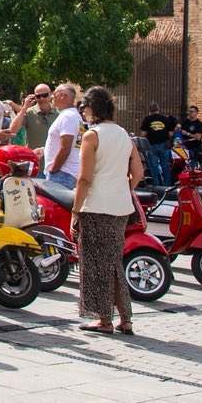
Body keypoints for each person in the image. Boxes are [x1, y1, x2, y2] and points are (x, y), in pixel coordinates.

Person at [72, 86, 141, 335]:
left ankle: (104, 320)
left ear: (94, 108)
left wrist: (75, 211)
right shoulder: (124, 135)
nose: (83, 111)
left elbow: (84, 179)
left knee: (96, 266)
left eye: (84, 106)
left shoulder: (92, 136)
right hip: (120, 207)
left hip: (96, 206)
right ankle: (126, 318)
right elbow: (139, 173)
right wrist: (121, 188)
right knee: (114, 263)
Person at [42, 84, 84, 187]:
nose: (52, 97)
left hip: (62, 174)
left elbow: (65, 148)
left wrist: (53, 169)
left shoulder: (67, 117)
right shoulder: (75, 116)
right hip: (68, 173)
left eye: (54, 93)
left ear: (62, 95)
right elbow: (76, 144)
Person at [138, 101, 176, 188]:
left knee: (153, 166)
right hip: (164, 145)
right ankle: (167, 186)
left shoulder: (147, 119)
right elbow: (171, 134)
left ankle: (157, 186)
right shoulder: (165, 119)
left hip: (151, 145)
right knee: (165, 166)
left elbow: (143, 134)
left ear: (150, 110)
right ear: (158, 109)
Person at [8, 84, 56, 151]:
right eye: (38, 96)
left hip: (54, 159)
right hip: (34, 159)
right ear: (35, 97)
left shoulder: (59, 113)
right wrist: (24, 108)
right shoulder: (29, 112)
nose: (41, 99)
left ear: (50, 94)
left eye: (45, 95)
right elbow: (12, 130)